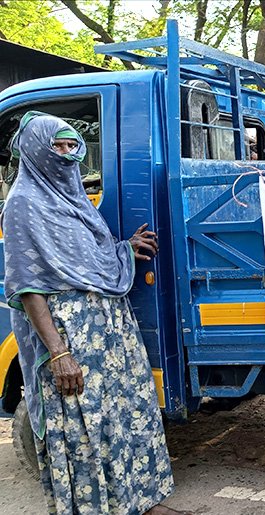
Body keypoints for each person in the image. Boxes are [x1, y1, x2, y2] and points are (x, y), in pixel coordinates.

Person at [3, 113, 177, 514]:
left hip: (110, 332)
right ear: (34, 150)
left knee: (125, 417)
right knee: (85, 429)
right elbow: (28, 287)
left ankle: (140, 503)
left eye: (70, 146)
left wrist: (122, 248)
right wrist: (59, 353)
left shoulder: (74, 198)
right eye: (56, 146)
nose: (65, 155)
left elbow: (87, 257)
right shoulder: (23, 204)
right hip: (70, 338)